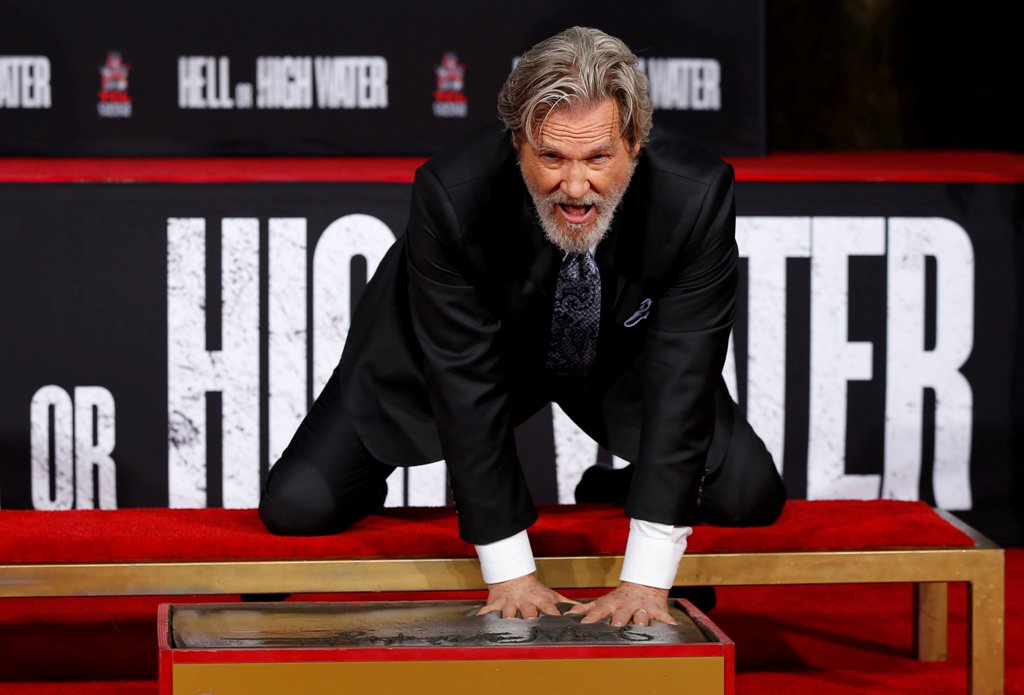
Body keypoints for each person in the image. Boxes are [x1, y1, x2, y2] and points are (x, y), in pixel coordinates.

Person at [259, 26, 785, 627]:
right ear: (518, 143)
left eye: (598, 157)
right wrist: (509, 568)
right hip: (451, 353)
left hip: (611, 354)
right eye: (551, 157)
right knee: (299, 505)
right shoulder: (452, 192)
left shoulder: (696, 195)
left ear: (634, 144)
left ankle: (617, 490)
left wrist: (646, 578)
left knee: (748, 493)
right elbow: (463, 379)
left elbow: (684, 376)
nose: (576, 187)